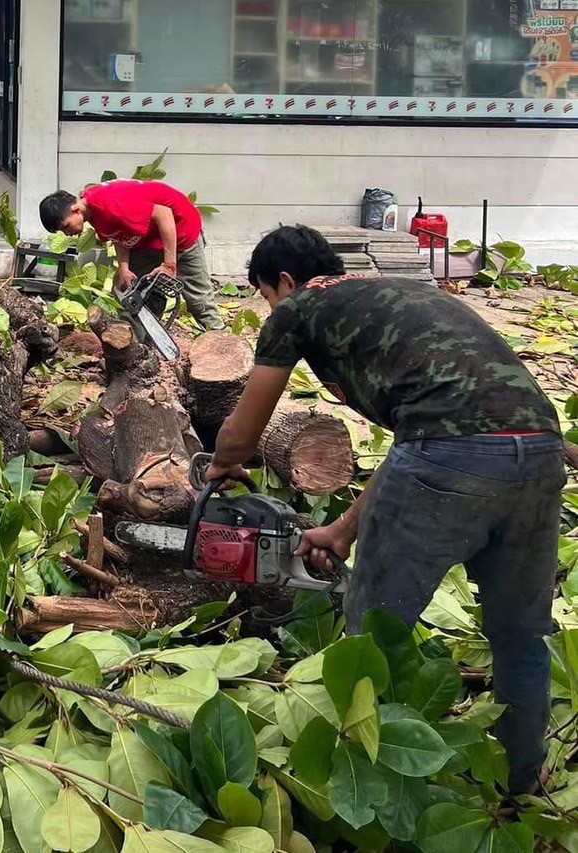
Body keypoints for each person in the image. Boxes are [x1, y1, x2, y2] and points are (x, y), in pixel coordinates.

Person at [204, 223, 563, 796]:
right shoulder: (401, 296)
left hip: (449, 455)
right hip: (542, 450)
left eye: (266, 295)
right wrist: (344, 530)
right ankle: (520, 784)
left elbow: (243, 434)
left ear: (286, 282)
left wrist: (223, 464)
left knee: (374, 628)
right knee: (522, 633)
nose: (270, 306)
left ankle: (363, 781)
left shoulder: (298, 309)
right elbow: (414, 436)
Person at [39, 180, 223, 330]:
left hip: (181, 231)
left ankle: (221, 341)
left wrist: (169, 265)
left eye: (66, 227)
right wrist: (124, 269)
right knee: (126, 290)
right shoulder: (92, 212)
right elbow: (119, 235)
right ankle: (135, 344)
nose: (67, 233)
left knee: (199, 300)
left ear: (76, 209)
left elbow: (164, 213)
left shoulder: (110, 204)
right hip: (150, 240)